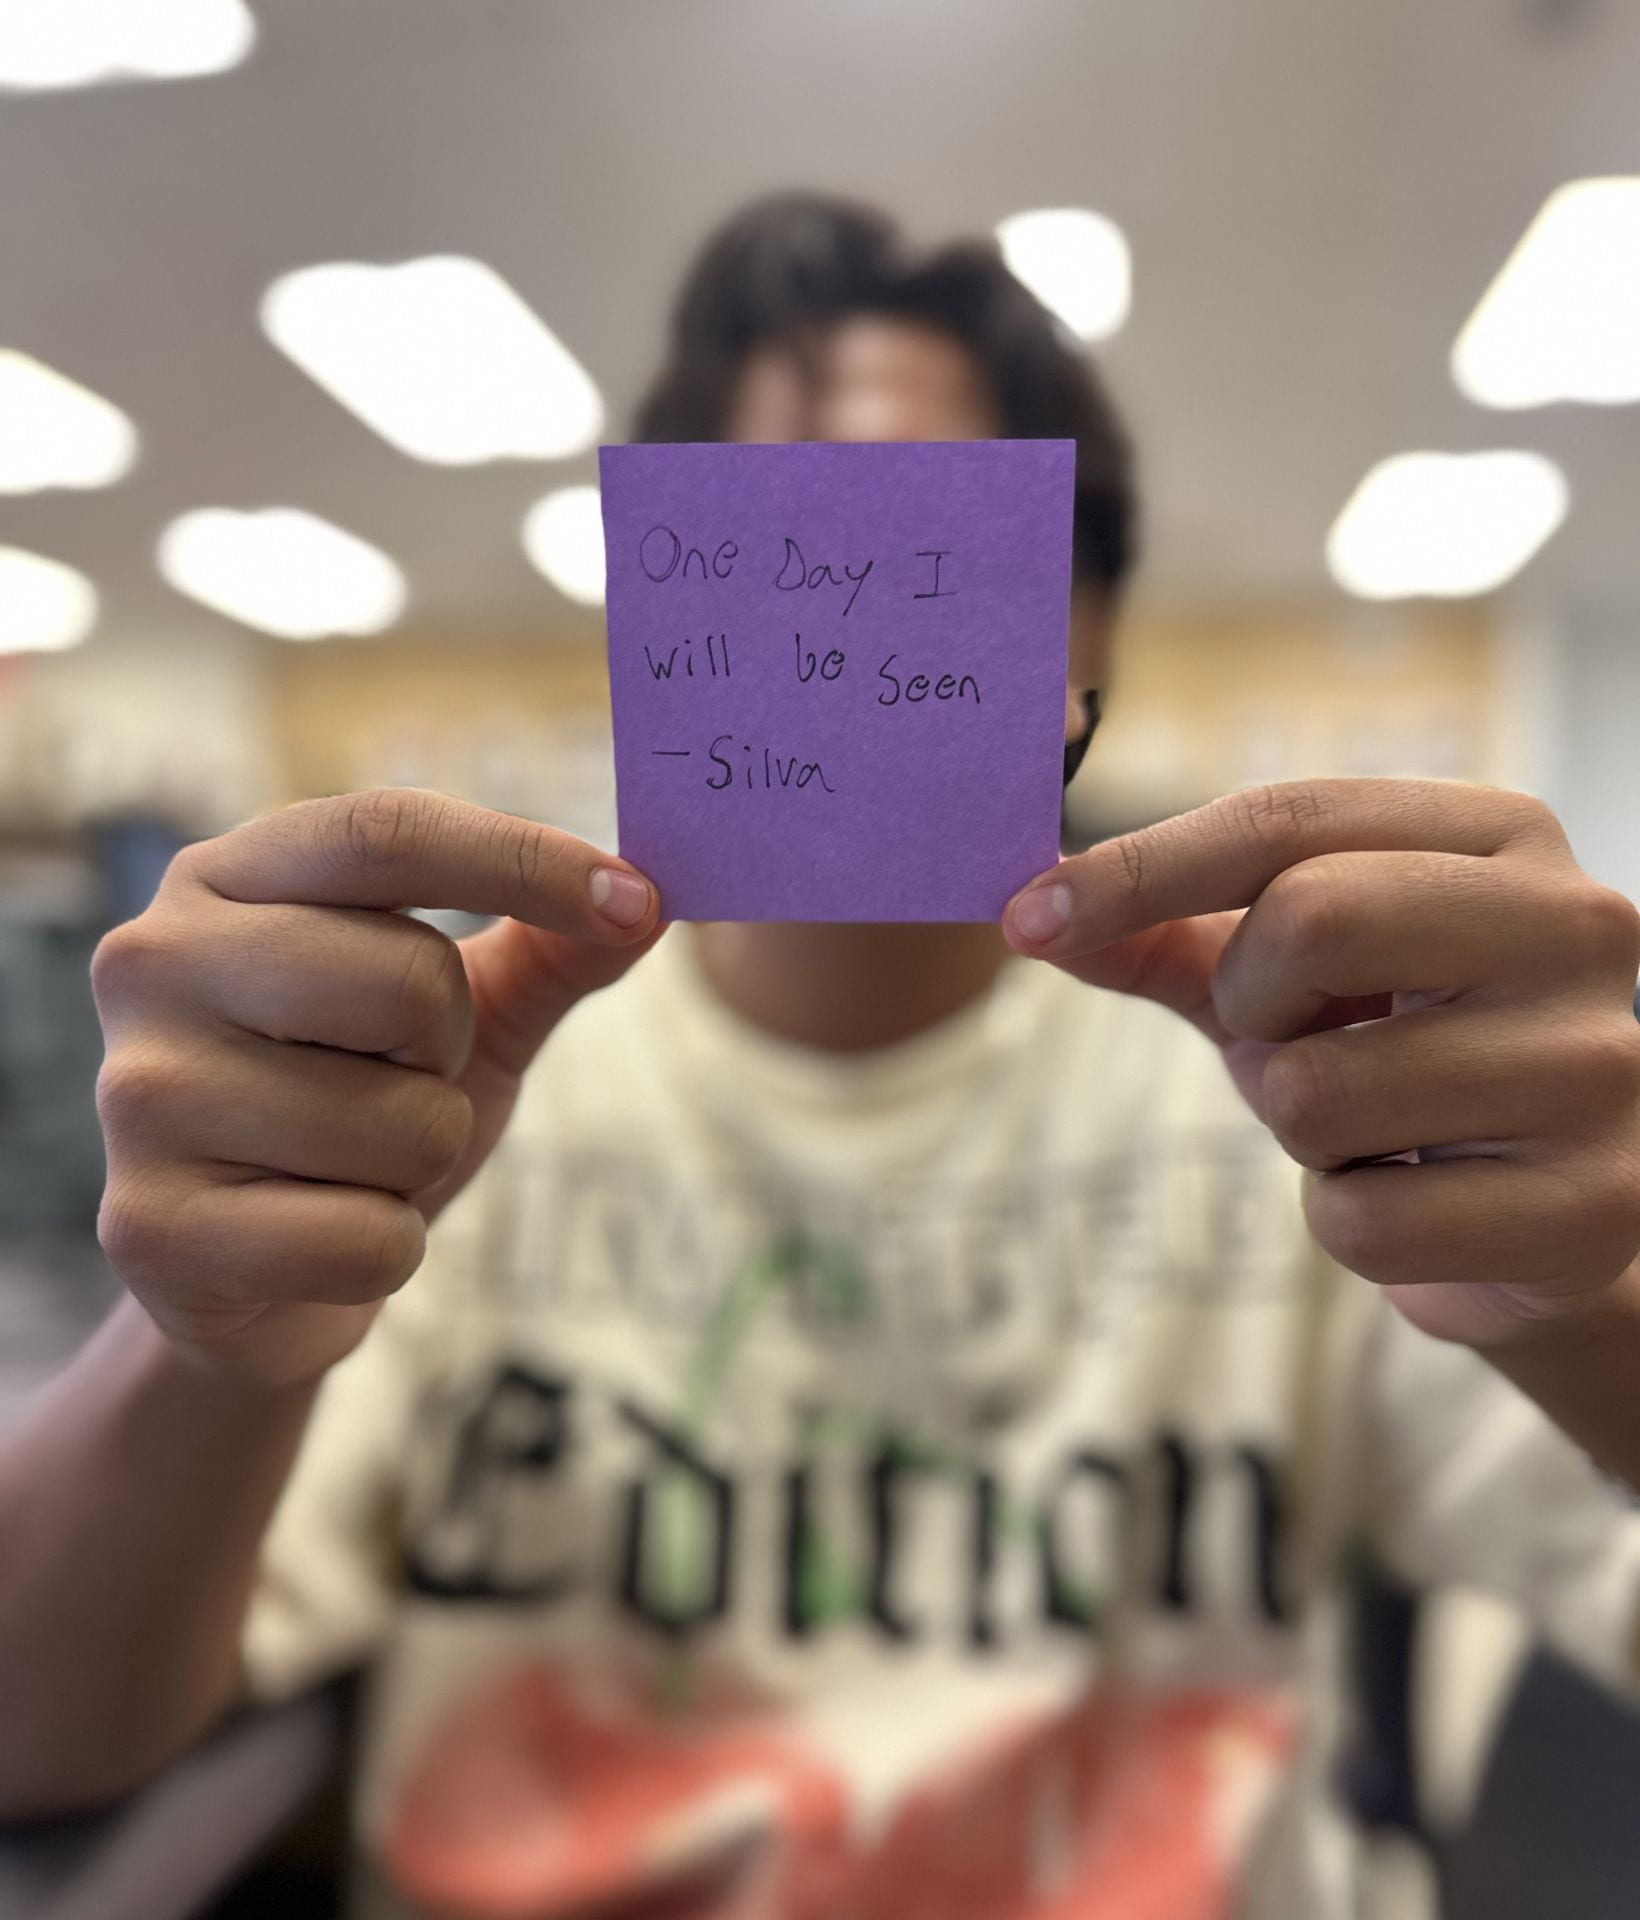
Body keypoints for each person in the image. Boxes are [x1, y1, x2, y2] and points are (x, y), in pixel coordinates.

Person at [4, 193, 1640, 1920]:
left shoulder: (1325, 1101)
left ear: (1078, 629)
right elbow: (33, 1742)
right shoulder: (429, 1107)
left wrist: (1592, 1295)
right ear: (658, 614)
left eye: (925, 540)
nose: (843, 605)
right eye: (769, 534)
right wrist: (201, 1340)